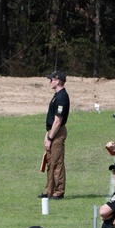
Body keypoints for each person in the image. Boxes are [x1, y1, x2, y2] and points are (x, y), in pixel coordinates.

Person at [41, 71, 70, 199]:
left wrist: (50, 137)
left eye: (51, 80)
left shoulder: (62, 97)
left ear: (57, 81)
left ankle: (59, 192)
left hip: (56, 133)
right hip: (52, 131)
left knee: (57, 163)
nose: (50, 82)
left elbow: (58, 121)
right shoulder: (57, 95)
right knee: (50, 162)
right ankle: (49, 190)